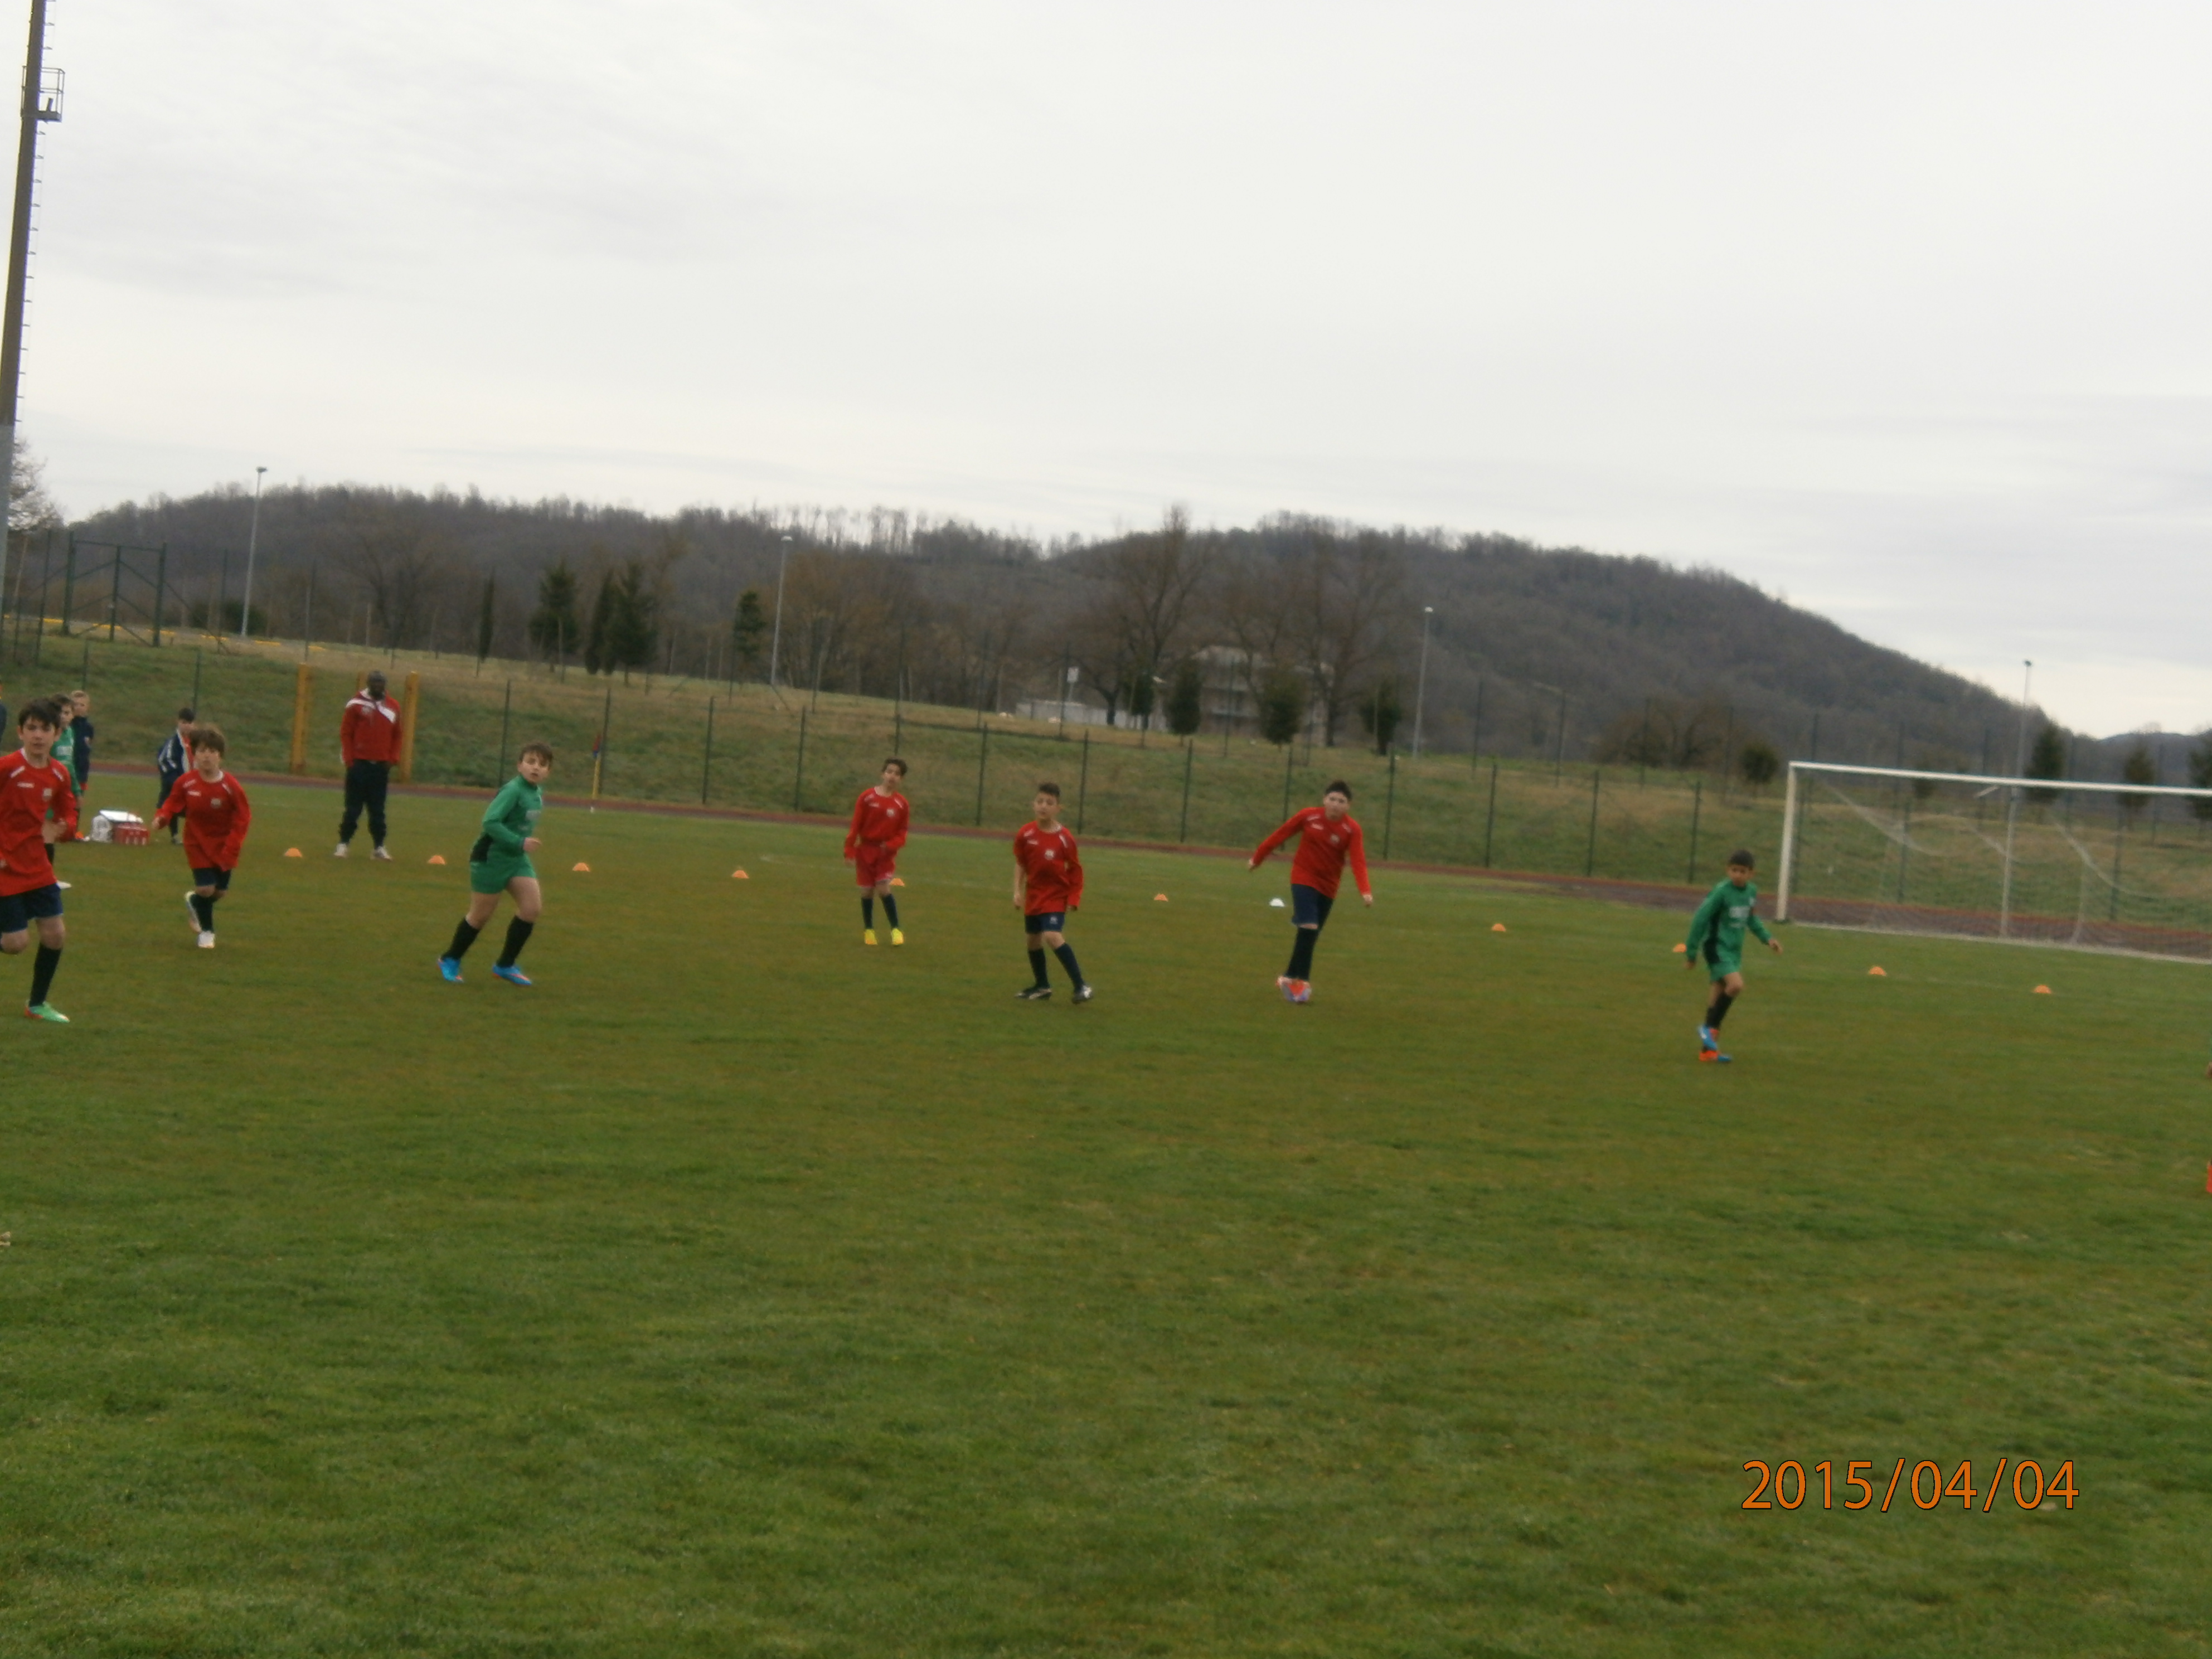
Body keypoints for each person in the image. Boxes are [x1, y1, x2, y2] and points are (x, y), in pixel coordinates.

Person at [438, 743, 552, 986]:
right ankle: (450, 959)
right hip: (490, 857)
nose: (536, 768)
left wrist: (519, 845)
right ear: (519, 765)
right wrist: (519, 842)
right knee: (480, 916)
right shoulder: (513, 790)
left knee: (531, 909)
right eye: (531, 762)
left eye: (542, 765)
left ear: (548, 772)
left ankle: (505, 965)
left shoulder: (536, 793)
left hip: (516, 858)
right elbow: (490, 822)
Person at [1249, 780, 1372, 1004]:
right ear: (1324, 800)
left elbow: (1358, 860)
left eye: (1341, 801)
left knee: (1310, 935)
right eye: (1332, 799)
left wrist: (1365, 890)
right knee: (1309, 926)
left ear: (1348, 806)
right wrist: (1258, 858)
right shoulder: (1308, 816)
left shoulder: (1352, 829)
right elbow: (1280, 835)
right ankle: (1302, 984)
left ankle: (1287, 976)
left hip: (1329, 886)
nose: (1335, 804)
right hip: (1303, 878)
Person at [0, 697, 79, 1022]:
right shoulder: (7, 768)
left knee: (55, 934)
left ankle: (37, 1005)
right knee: (15, 943)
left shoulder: (59, 774)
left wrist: (65, 828)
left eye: (45, 729)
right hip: (5, 865)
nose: (38, 735)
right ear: (20, 732)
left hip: (36, 864)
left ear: (57, 734)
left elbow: (67, 812)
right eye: (31, 728)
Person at [154, 725, 251, 950]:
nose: (206, 756)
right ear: (194, 755)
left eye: (212, 751)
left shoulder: (231, 786)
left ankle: (194, 901)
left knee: (220, 892)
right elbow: (172, 803)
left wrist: (233, 846)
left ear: (220, 756)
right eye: (201, 751)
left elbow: (243, 817)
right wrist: (163, 818)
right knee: (207, 888)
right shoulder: (186, 782)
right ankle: (207, 933)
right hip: (196, 843)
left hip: (224, 845)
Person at [1685, 848, 1783, 1064]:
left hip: (1733, 950)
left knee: (1717, 996)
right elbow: (1701, 918)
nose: (1738, 875)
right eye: (1734, 870)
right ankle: (1708, 1030)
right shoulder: (1721, 892)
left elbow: (1751, 919)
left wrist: (1768, 938)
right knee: (1736, 985)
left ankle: (1708, 1051)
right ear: (1727, 870)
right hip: (1716, 947)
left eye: (1742, 871)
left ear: (1751, 874)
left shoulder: (1751, 892)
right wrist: (1691, 952)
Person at [1012, 781, 1090, 1003]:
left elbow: (1075, 870)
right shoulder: (1026, 833)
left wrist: (1074, 898)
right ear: (1033, 804)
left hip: (1055, 896)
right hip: (1034, 896)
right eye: (1040, 801)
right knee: (1033, 941)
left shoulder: (1065, 838)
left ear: (1058, 808)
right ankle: (1042, 986)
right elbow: (1021, 863)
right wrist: (1017, 891)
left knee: (1052, 936)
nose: (1043, 806)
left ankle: (1081, 986)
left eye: (1049, 803)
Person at [845, 757, 910, 945]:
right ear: (883, 774)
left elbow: (902, 832)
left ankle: (896, 930)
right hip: (865, 851)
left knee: (883, 889)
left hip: (885, 853)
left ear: (901, 779)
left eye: (897, 774)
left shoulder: (901, 804)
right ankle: (869, 930)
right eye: (889, 772)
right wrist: (849, 850)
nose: (892, 776)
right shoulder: (867, 797)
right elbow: (856, 826)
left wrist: (892, 845)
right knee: (867, 892)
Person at [337, 670, 401, 860]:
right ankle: (343, 844)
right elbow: (346, 733)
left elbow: (398, 735)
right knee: (353, 809)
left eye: (380, 683)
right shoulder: (356, 704)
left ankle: (379, 847)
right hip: (359, 764)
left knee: (378, 811)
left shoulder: (393, 706)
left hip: (380, 767)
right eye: (374, 683)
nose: (378, 687)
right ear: (369, 684)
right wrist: (350, 760)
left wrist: (392, 759)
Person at [154, 706, 195, 843]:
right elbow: (164, 761)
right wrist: (177, 782)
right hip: (176, 783)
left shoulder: (195, 742)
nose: (187, 726)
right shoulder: (173, 743)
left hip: (192, 783)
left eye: (189, 723)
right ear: (178, 722)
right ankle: (175, 835)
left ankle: (195, 835)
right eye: (184, 722)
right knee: (173, 805)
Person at [66, 691, 93, 798]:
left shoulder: (88, 728)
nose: (79, 708)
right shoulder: (67, 725)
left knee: (78, 802)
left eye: (82, 705)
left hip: (82, 772)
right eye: (76, 704)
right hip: (67, 771)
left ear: (87, 707)